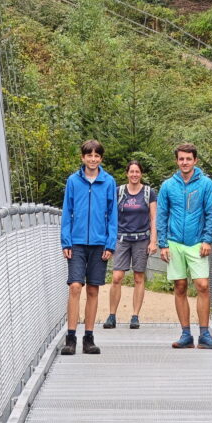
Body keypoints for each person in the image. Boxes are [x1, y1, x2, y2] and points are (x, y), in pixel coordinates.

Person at [156, 142, 212, 350]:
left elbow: (211, 212)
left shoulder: (206, 184)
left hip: (197, 242)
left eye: (188, 159)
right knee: (180, 286)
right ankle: (185, 334)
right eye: (181, 159)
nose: (185, 162)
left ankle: (204, 334)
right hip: (174, 242)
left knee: (202, 285)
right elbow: (162, 215)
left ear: (195, 161)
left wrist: (207, 239)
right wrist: (163, 244)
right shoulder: (168, 186)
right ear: (177, 161)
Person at [60, 139, 118, 355]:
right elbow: (67, 211)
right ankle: (71, 337)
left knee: (93, 289)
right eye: (89, 155)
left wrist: (110, 243)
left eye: (96, 156)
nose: (92, 159)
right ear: (83, 157)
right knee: (75, 286)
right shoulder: (73, 181)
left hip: (99, 242)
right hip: (76, 242)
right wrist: (65, 240)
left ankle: (89, 338)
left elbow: (113, 215)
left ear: (100, 158)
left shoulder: (109, 182)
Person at [103, 160, 157, 330]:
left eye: (137, 172)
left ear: (141, 174)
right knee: (117, 277)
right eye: (131, 171)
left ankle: (135, 316)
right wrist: (108, 240)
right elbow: (110, 217)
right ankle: (112, 315)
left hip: (141, 239)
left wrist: (153, 241)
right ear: (127, 173)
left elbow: (154, 218)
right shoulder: (119, 192)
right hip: (122, 239)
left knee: (138, 277)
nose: (134, 174)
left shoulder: (149, 193)